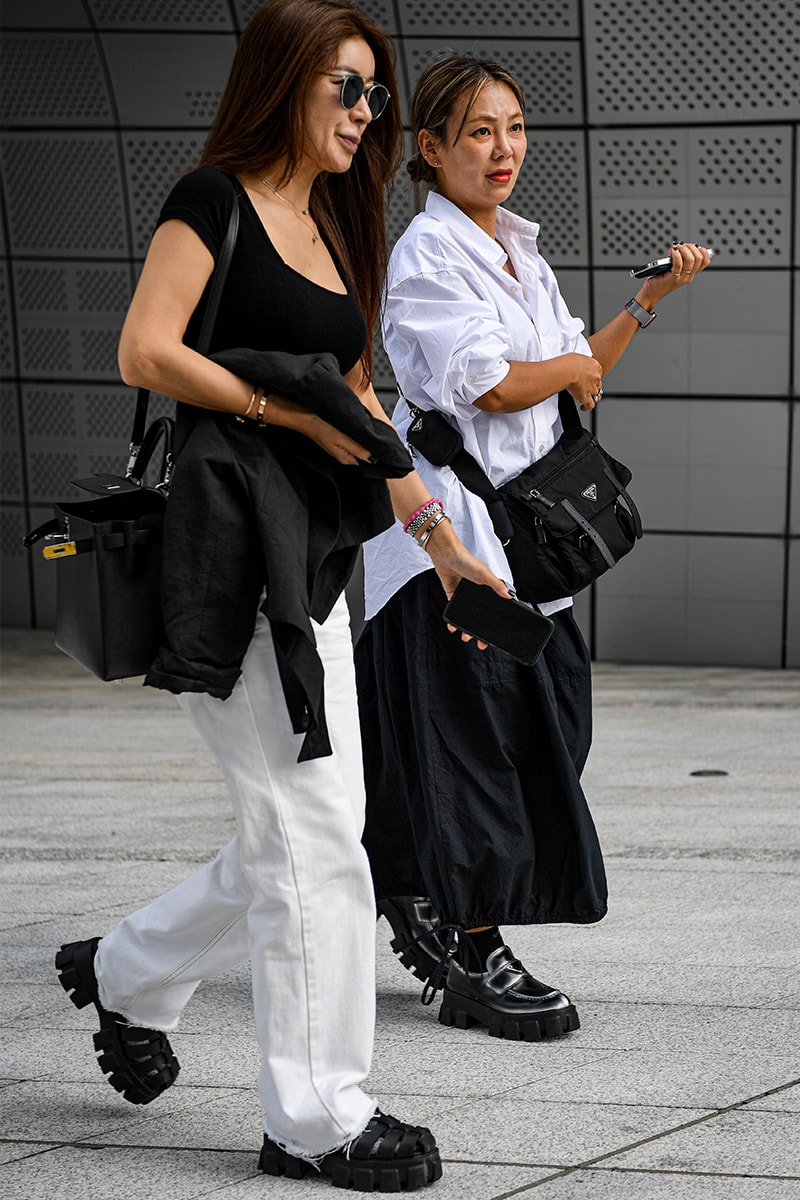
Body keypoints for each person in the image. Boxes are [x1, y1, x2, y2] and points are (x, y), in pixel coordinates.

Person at [54, 9, 510, 1191]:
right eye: (345, 89)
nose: (366, 113)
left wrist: (438, 538)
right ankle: (314, 1115)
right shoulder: (211, 199)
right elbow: (146, 350)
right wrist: (278, 413)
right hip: (225, 553)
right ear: (283, 86)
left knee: (308, 827)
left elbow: (360, 418)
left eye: (375, 94)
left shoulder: (330, 228)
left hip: (313, 563)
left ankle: (128, 968)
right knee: (310, 832)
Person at [357, 52, 711, 1043]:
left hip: (527, 553)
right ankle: (473, 956)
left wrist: (643, 307)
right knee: (478, 747)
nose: (503, 148)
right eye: (478, 130)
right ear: (429, 148)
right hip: (453, 550)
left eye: (512, 127)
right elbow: (490, 385)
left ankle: (412, 888)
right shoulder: (425, 255)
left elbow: (574, 379)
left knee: (556, 726)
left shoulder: (521, 251)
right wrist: (554, 368)